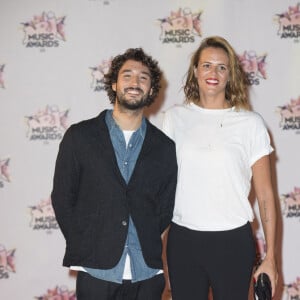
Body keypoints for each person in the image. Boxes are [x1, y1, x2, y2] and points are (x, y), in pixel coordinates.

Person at [51, 48, 177, 300]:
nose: (135, 82)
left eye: (143, 77)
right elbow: (63, 198)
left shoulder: (164, 147)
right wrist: (87, 243)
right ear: (113, 83)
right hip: (96, 273)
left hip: (148, 274)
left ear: (152, 89)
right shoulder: (80, 137)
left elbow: (165, 208)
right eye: (127, 75)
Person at [162, 36, 278, 300]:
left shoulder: (251, 124)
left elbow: (266, 195)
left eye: (221, 67)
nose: (213, 73)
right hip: (183, 241)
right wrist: (158, 252)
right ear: (195, 71)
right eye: (206, 65)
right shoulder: (173, 120)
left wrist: (271, 257)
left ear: (230, 75)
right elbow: (162, 192)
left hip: (233, 243)